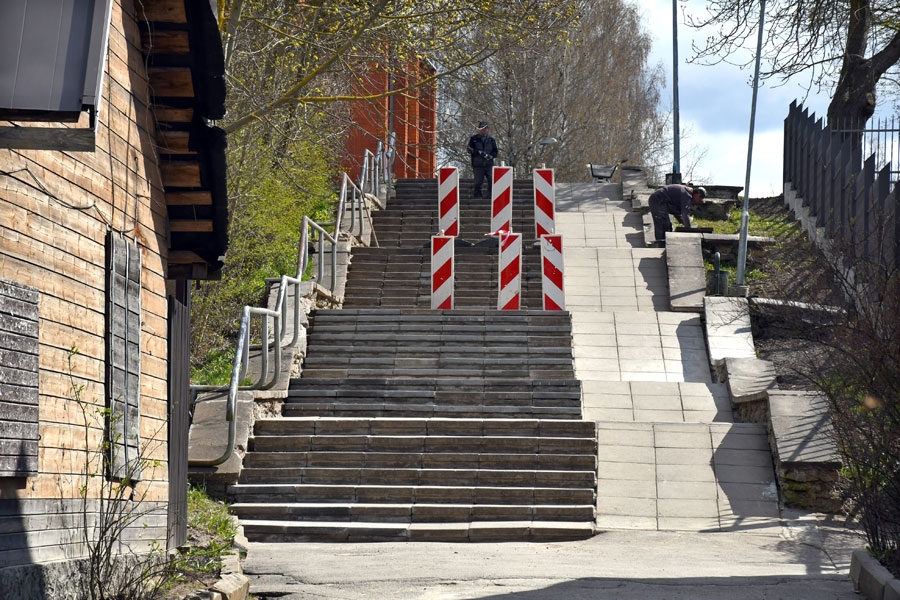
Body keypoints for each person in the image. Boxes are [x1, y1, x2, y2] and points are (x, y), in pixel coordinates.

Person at [467, 121, 498, 199]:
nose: (483, 130)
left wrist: (491, 156)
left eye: (485, 129)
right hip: (478, 164)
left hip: (489, 164)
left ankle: (490, 194)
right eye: (481, 129)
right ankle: (477, 195)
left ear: (487, 129)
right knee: (478, 181)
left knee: (491, 179)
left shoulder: (491, 140)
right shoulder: (474, 139)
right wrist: (477, 152)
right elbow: (469, 149)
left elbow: (495, 151)